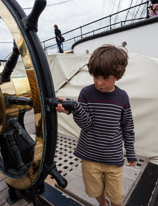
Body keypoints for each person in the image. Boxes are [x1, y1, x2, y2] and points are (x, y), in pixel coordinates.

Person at [56, 44, 137, 206]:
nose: (99, 82)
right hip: (89, 157)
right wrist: (75, 108)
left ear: (118, 76)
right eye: (95, 77)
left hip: (113, 158)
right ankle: (102, 204)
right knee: (94, 190)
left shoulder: (122, 97)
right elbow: (86, 125)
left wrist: (131, 151)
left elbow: (127, 126)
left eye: (105, 78)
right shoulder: (86, 93)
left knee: (116, 196)